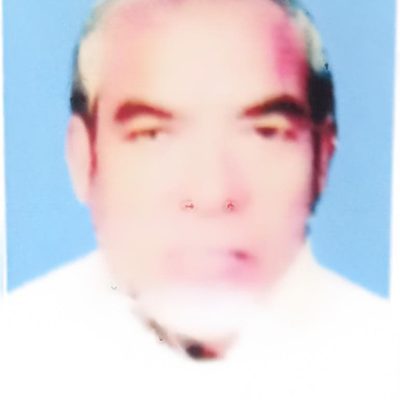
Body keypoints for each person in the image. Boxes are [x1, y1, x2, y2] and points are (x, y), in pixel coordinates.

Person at [1, 0, 398, 398]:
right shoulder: (16, 356)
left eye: (264, 132)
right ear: (83, 158)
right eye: (154, 135)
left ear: (322, 157)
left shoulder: (383, 360)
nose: (212, 193)